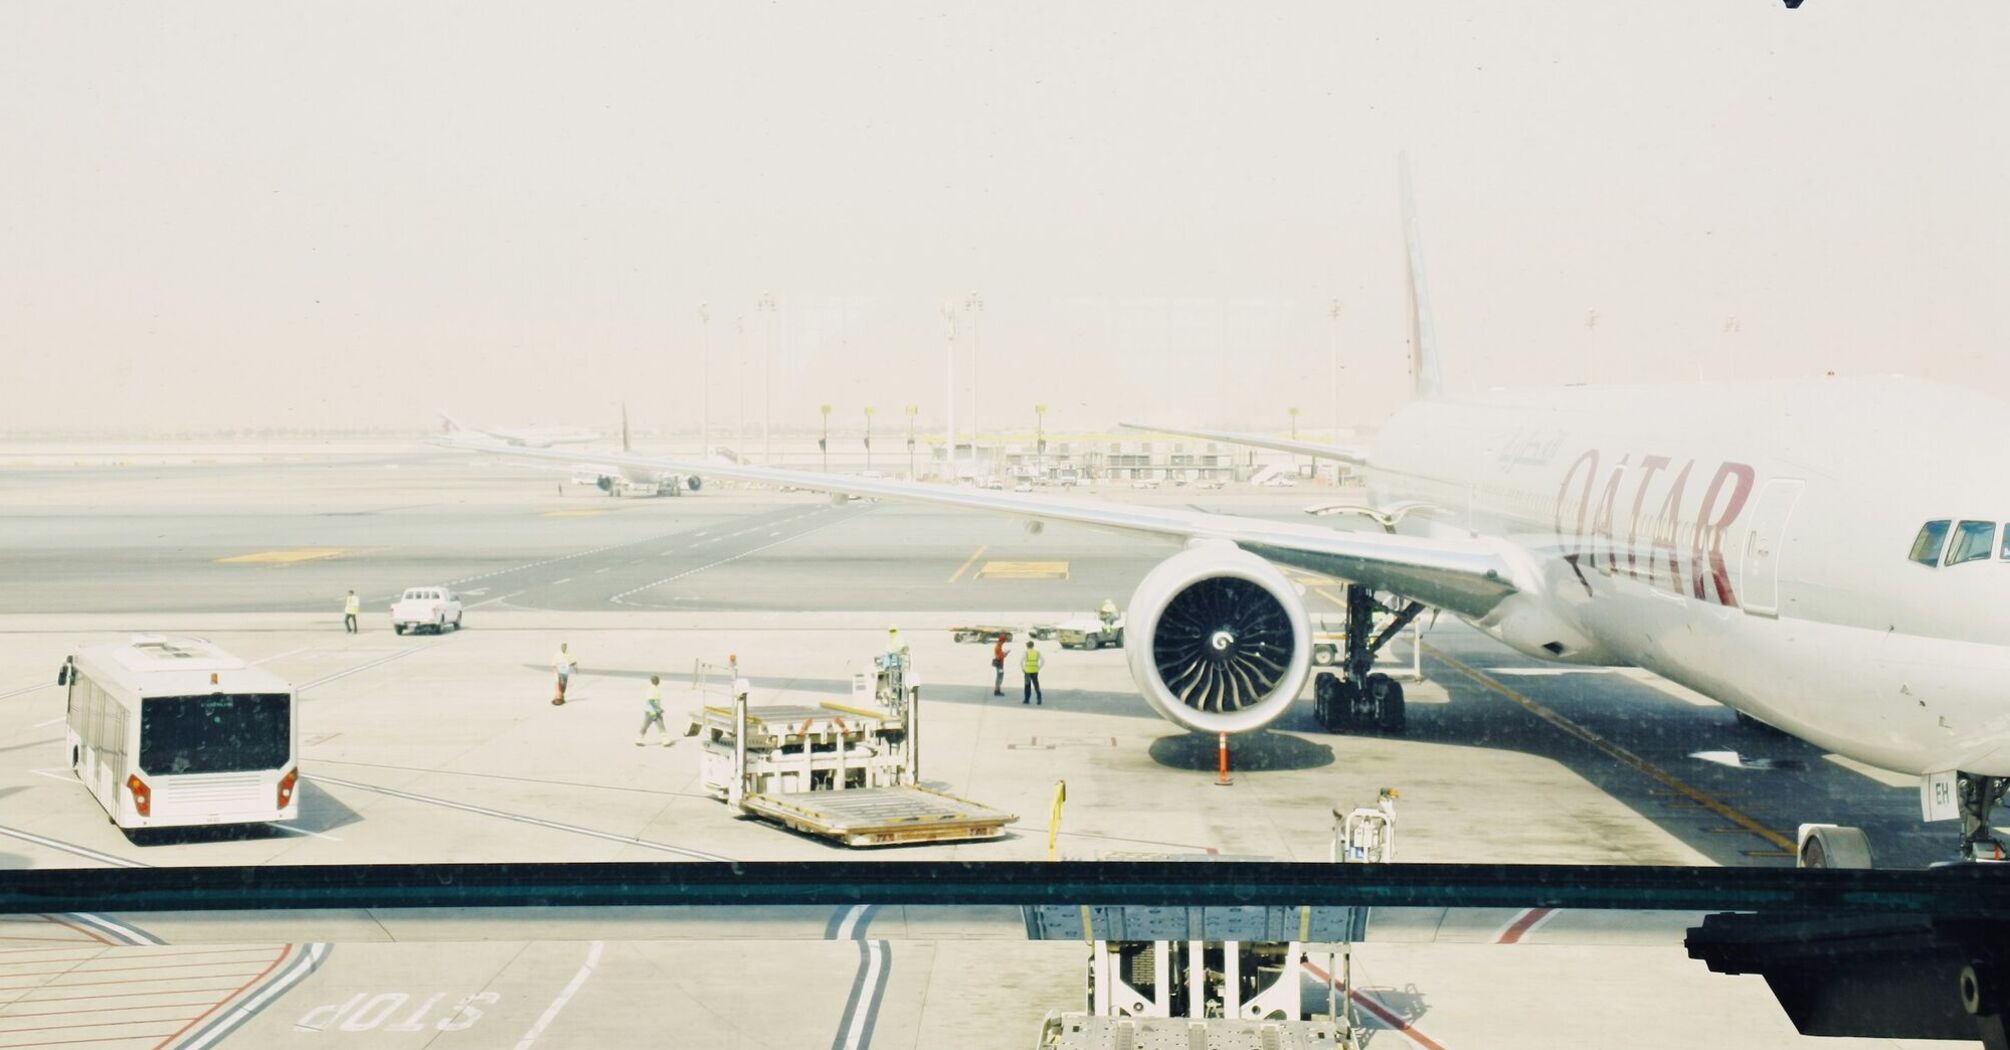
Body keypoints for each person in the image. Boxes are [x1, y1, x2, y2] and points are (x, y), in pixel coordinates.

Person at [637, 674, 671, 746]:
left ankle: (639, 739)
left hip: (650, 710)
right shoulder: (653, 689)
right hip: (652, 710)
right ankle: (665, 740)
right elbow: (651, 701)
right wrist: (658, 709)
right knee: (659, 724)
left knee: (647, 725)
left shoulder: (652, 689)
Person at [1022, 639, 1044, 705]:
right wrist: (1038, 668)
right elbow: (1043, 661)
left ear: (1027, 646)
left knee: (1027, 686)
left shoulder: (1026, 652)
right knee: (1036, 685)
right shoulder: (1037, 652)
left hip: (1027, 671)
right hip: (1035, 671)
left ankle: (1027, 699)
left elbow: (1021, 662)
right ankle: (1039, 699)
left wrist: (1023, 669)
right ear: (1033, 646)